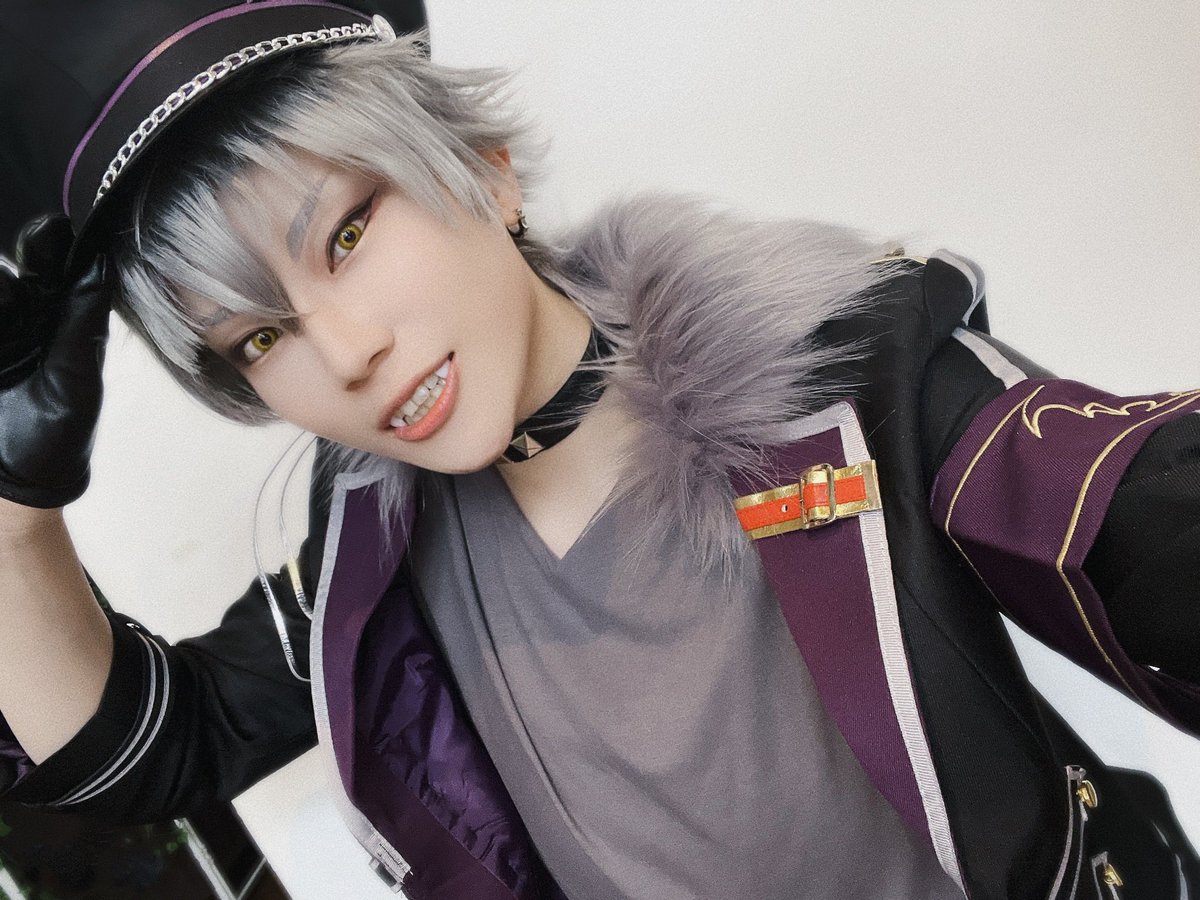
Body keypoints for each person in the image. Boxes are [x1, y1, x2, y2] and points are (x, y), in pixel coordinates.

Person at [1, 2, 1198, 898]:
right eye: (260, 337)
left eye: (349, 234)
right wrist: (14, 513)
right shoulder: (368, 552)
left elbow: (1133, 518)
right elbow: (150, 750)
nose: (348, 354)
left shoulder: (845, 371)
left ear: (483, 170)